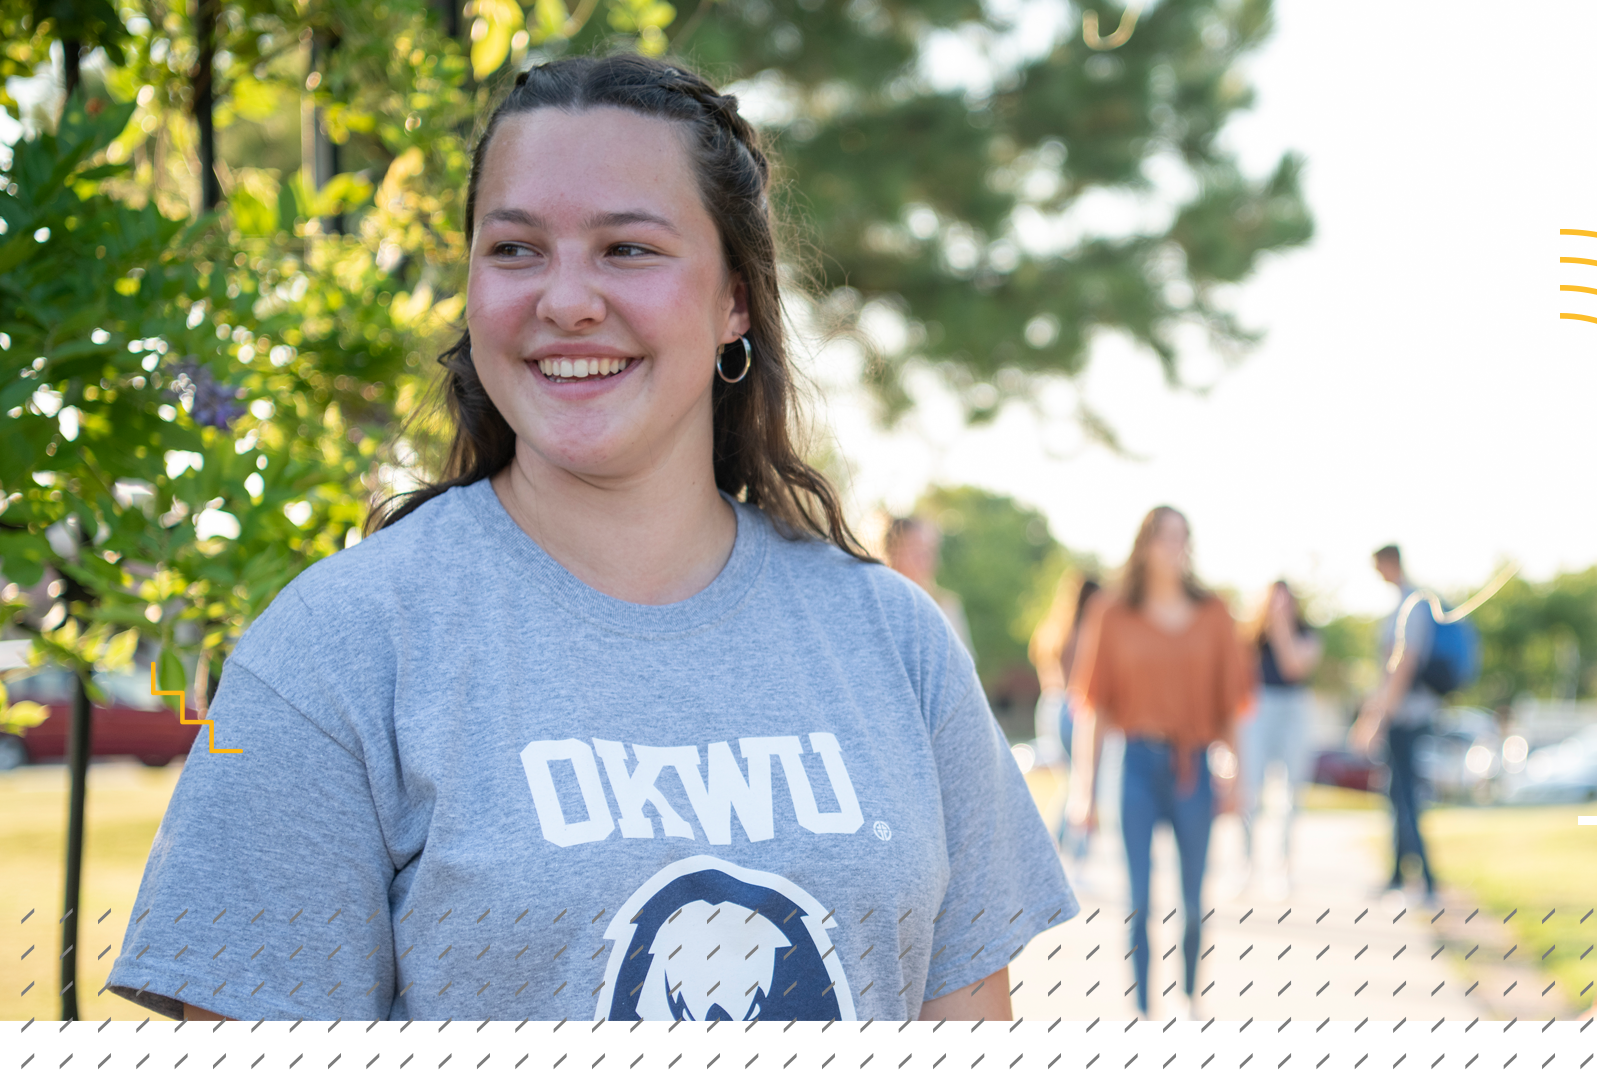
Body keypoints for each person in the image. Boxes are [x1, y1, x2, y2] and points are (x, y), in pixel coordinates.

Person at [104, 53, 1074, 1023]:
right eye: (516, 250)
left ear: (736, 297)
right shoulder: (336, 652)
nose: (565, 300)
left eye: (628, 250)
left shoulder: (896, 648)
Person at [1066, 507, 1250, 1020]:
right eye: (1166, 537)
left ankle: (1191, 1001)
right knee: (1140, 901)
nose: (1177, 547)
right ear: (1144, 544)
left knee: (1193, 903)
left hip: (1193, 767)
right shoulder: (1112, 612)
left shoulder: (1214, 613)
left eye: (1184, 538)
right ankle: (1143, 1013)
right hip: (1135, 767)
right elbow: (1094, 707)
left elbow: (1230, 705)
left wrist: (1239, 776)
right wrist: (1084, 789)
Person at [1348, 544, 1441, 906]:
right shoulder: (1408, 603)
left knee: (1406, 799)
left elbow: (1403, 665)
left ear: (1390, 563)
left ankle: (1428, 883)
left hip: (1407, 717)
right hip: (1401, 715)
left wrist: (1376, 718)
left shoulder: (1413, 604)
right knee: (1395, 796)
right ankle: (1398, 877)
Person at [1235, 580, 1322, 898]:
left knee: (1289, 795)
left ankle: (1283, 869)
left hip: (1293, 710)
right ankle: (1246, 866)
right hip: (1257, 708)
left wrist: (1282, 629)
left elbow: (1293, 667)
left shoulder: (1308, 634)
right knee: (1248, 793)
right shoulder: (1249, 638)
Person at [1028, 569, 1101, 854]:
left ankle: (1057, 847)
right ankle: (1071, 850)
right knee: (1081, 781)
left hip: (1050, 705)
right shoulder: (1087, 631)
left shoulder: (1055, 629)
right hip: (1075, 708)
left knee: (1069, 781)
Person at [883, 515, 974, 658]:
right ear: (890, 551)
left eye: (930, 551)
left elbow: (963, 669)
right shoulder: (877, 606)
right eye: (914, 549)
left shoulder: (947, 607)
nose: (924, 560)